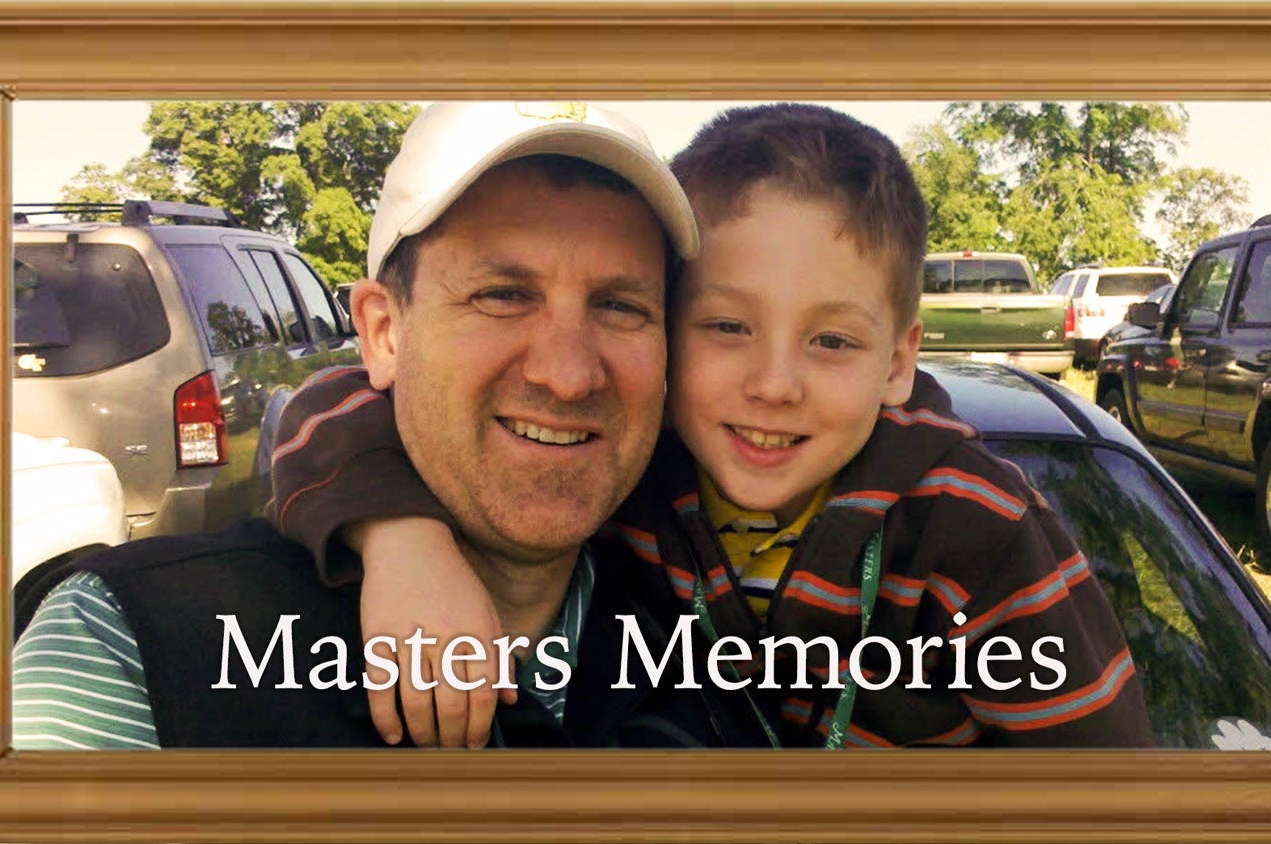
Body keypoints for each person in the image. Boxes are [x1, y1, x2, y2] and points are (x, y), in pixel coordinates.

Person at [269, 103, 1157, 749]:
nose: (773, 385)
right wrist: (402, 541)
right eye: (726, 327)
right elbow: (336, 402)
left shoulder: (975, 524)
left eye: (833, 339)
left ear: (898, 361)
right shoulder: (635, 462)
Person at [10, 101, 769, 750]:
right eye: (502, 294)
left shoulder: (723, 632)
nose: (568, 374)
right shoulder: (137, 647)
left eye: (620, 306)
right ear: (382, 332)